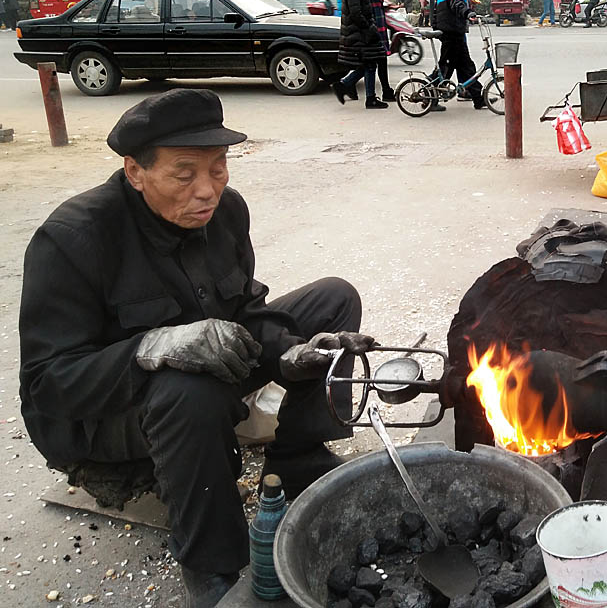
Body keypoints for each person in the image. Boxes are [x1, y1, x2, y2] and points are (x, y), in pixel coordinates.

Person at [18, 88, 374, 608]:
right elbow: (48, 385)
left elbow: (246, 310)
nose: (206, 190)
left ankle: (297, 459)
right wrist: (152, 346)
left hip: (209, 372)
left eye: (218, 168)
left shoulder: (226, 211)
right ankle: (209, 564)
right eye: (184, 174)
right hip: (106, 415)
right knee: (190, 392)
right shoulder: (74, 238)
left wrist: (290, 353)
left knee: (334, 299)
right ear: (135, 171)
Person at [435, 0, 487, 111]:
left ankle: (478, 98)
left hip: (449, 27)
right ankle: (428, 96)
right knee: (446, 67)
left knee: (465, 66)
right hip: (452, 28)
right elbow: (456, 2)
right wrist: (467, 12)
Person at [333, 0, 387, 109]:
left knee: (367, 65)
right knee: (369, 65)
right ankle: (369, 98)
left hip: (359, 34)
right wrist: (370, 28)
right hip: (360, 35)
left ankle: (344, 85)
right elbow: (356, 14)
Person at [361, 0, 395, 104]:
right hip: (373, 27)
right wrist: (371, 27)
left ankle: (386, 90)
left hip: (379, 25)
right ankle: (346, 85)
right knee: (371, 64)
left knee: (381, 60)